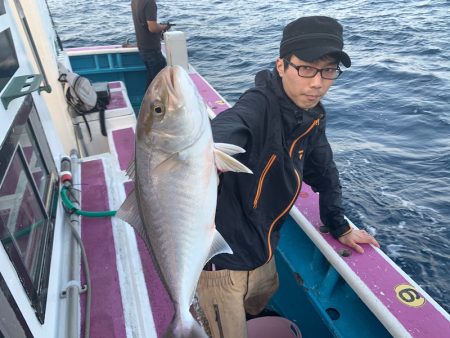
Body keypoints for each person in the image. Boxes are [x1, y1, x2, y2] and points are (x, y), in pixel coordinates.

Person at [196, 16, 380, 338]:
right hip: (221, 260)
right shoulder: (257, 106)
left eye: (328, 70)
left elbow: (325, 173)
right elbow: (229, 125)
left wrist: (338, 224)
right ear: (281, 66)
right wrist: (204, 152)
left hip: (265, 246)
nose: (317, 83)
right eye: (306, 68)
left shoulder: (311, 116)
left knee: (261, 299)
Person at [131, 0, 169, 87]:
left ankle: (147, 99)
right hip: (151, 49)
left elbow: (143, 23)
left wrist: (158, 26)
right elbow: (152, 28)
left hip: (142, 47)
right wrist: (164, 26)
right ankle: (151, 100)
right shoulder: (150, 2)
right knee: (158, 82)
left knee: (152, 79)